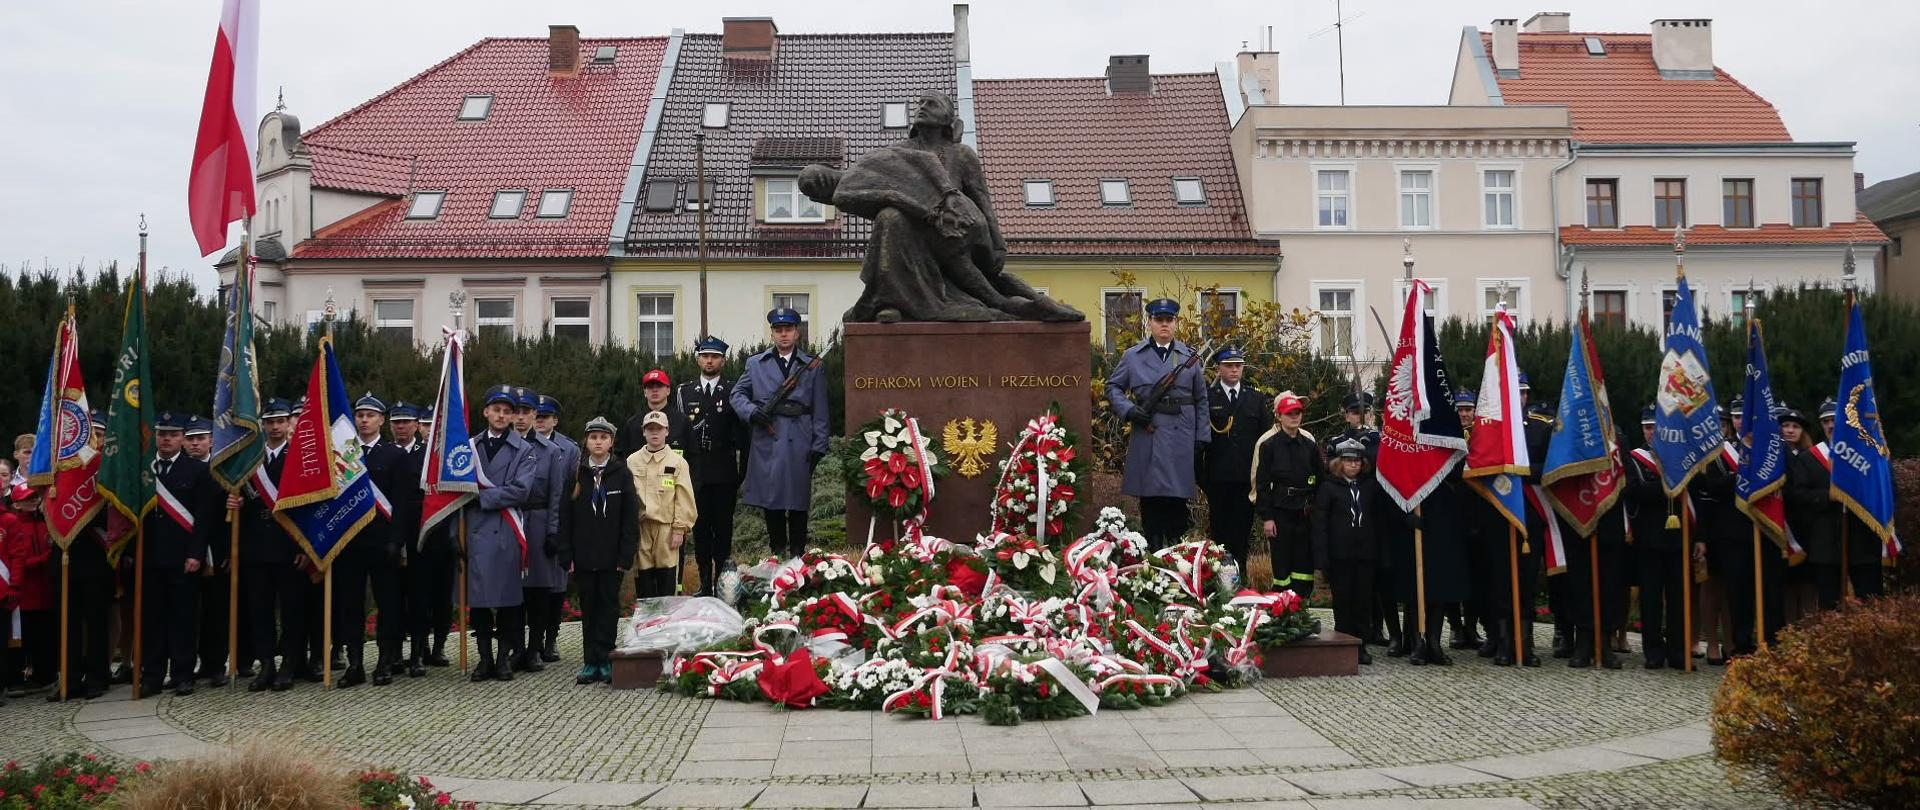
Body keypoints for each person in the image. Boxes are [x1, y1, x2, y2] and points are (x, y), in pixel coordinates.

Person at [1107, 298, 1209, 549]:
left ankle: (1177, 555)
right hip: (1149, 432)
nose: (1164, 325)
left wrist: (1201, 436)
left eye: (1169, 320)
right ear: (1149, 323)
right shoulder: (1133, 356)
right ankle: (1153, 554)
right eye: (1158, 320)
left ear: (1176, 323)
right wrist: (1130, 411)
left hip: (1180, 436)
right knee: (1150, 500)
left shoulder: (1188, 357)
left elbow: (1201, 398)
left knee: (1177, 502)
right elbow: (1113, 387)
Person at [732, 308, 830, 559]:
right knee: (771, 500)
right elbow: (737, 395)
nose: (783, 334)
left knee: (798, 503)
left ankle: (797, 556)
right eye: (778, 330)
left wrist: (819, 444)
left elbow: (820, 407)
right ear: (773, 334)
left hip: (800, 438)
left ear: (797, 333)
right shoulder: (755, 364)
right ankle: (777, 555)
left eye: (788, 329)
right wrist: (752, 412)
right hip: (769, 438)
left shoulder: (812, 366)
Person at [230, 398, 311, 691]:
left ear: (290, 423)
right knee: (259, 609)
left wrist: (305, 547)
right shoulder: (248, 458)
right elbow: (240, 496)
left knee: (291, 609)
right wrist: (235, 502)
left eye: (280, 421)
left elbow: (309, 505)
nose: (275, 427)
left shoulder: (301, 457)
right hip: (255, 543)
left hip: (290, 542)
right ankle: (266, 664)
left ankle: (290, 663)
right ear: (262, 425)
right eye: (269, 422)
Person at [140, 412, 221, 696]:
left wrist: (196, 553)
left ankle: (183, 674)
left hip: (183, 556)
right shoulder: (145, 469)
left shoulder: (198, 471)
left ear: (183, 439)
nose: (166, 439)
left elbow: (204, 517)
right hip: (149, 557)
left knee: (183, 619)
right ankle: (152, 675)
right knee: (152, 619)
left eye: (173, 435)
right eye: (162, 434)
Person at [556, 417, 639, 684]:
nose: (598, 442)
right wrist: (566, 554)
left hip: (611, 556)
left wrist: (626, 555)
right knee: (589, 607)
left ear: (611, 442)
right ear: (586, 442)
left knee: (608, 607)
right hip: (583, 555)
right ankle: (590, 661)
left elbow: (629, 518)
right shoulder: (576, 474)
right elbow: (565, 517)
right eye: (593, 438)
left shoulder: (621, 473)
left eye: (603, 438)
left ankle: (606, 658)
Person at [467, 386, 538, 682]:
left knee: (509, 599)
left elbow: (521, 491)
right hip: (474, 530)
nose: (501, 415)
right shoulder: (468, 448)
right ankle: (484, 659)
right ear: (485, 412)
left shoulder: (524, 449)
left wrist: (482, 498)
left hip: (506, 529)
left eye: (507, 411)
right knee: (480, 600)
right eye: (496, 409)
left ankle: (503, 658)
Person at [1313, 439, 1395, 664]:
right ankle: (1343, 643)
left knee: (1363, 602)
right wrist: (1321, 558)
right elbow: (1320, 525)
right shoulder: (1329, 488)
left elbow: (1379, 521)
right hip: (1340, 556)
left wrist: (1382, 553)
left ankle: (1361, 645)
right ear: (1339, 463)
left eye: (1357, 461)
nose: (1353, 466)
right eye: (1349, 462)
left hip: (1366, 554)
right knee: (1343, 602)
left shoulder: (1369, 487)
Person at [680, 337, 748, 597]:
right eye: (705, 356)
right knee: (700, 530)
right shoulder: (684, 392)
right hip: (695, 474)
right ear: (698, 359)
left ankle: (722, 584)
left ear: (723, 360)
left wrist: (742, 472)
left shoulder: (733, 391)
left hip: (724, 472)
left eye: (715, 357)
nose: (709, 361)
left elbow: (743, 436)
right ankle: (704, 584)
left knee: (723, 530)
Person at [1199, 347, 1272, 578]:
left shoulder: (1256, 398)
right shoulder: (1208, 399)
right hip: (1217, 481)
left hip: (1245, 481)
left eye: (1238, 365)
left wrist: (1261, 479)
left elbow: (1265, 442)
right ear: (1219, 368)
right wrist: (1202, 479)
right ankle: (1220, 586)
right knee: (1220, 537)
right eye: (1229, 365)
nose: (1234, 369)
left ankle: (1239, 585)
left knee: (1241, 536)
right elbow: (1198, 442)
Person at [1626, 406, 1688, 670]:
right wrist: (1668, 486)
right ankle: (1653, 651)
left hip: (1679, 538)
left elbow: (1693, 496)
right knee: (1650, 598)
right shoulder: (1635, 459)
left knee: (1678, 598)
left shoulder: (1682, 456)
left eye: (1656, 427)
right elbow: (1635, 492)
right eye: (1647, 428)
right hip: (1648, 539)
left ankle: (1678, 651)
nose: (1652, 432)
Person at [1806, 397, 1883, 606]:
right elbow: (1797, 495)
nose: (1830, 425)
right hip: (1826, 545)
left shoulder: (1868, 452)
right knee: (1829, 608)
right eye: (1825, 421)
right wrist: (1826, 496)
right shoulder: (1810, 458)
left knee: (1871, 603)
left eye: (1834, 420)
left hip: (1863, 543)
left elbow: (1885, 487)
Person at [505, 387, 559, 674]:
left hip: (538, 522)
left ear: (535, 415)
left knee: (539, 591)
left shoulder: (550, 451)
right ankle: (515, 647)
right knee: (512, 590)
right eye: (518, 412)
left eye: (527, 412)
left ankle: (535, 648)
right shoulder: (504, 446)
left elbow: (556, 494)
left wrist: (553, 531)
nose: (522, 418)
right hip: (511, 520)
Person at [1251, 391, 1319, 593]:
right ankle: (1283, 607)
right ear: (1279, 416)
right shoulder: (1268, 446)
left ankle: (1302, 607)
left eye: (1298, 412)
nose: (1294, 417)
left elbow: (1320, 480)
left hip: (1305, 512)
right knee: (1281, 562)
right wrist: (1267, 518)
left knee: (1304, 563)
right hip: (1280, 512)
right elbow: (1262, 484)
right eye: (1289, 413)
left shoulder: (1309, 445)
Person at [381, 401, 431, 678]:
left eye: (406, 422)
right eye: (396, 422)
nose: (401, 426)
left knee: (419, 595)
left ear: (416, 425)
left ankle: (418, 653)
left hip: (417, 533)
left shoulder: (426, 455)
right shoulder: (384, 453)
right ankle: (394, 653)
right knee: (392, 596)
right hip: (387, 533)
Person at [528, 394, 576, 664]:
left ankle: (551, 639)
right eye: (537, 417)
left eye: (544, 417)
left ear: (555, 420)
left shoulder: (568, 449)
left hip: (558, 520)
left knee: (556, 586)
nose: (540, 421)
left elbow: (570, 490)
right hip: (530, 521)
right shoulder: (523, 445)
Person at [629, 411, 696, 598]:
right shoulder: (632, 461)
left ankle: (667, 622)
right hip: (641, 528)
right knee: (643, 578)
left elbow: (684, 499)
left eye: (659, 429)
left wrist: (679, 529)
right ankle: (647, 622)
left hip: (666, 529)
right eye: (650, 429)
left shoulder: (678, 462)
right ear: (643, 432)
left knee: (667, 579)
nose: (654, 433)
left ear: (667, 431)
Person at [408, 407, 455, 669]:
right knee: (419, 598)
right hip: (419, 539)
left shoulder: (452, 460)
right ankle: (418, 650)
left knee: (443, 598)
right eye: (426, 425)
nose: (430, 430)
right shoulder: (412, 458)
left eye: (434, 426)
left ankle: (438, 647)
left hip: (446, 538)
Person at [1, 484, 55, 696]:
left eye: (34, 498)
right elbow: (19, 560)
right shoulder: (15, 524)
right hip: (26, 595)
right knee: (22, 640)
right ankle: (16, 678)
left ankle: (45, 676)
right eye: (27, 499)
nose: (33, 501)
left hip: (45, 593)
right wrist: (44, 559)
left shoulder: (45, 523)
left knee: (45, 637)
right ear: (16, 503)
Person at [622, 371, 686, 457]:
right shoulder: (633, 424)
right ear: (645, 392)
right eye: (650, 386)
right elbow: (624, 457)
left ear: (668, 390)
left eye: (659, 386)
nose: (655, 390)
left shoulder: (682, 422)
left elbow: (693, 458)